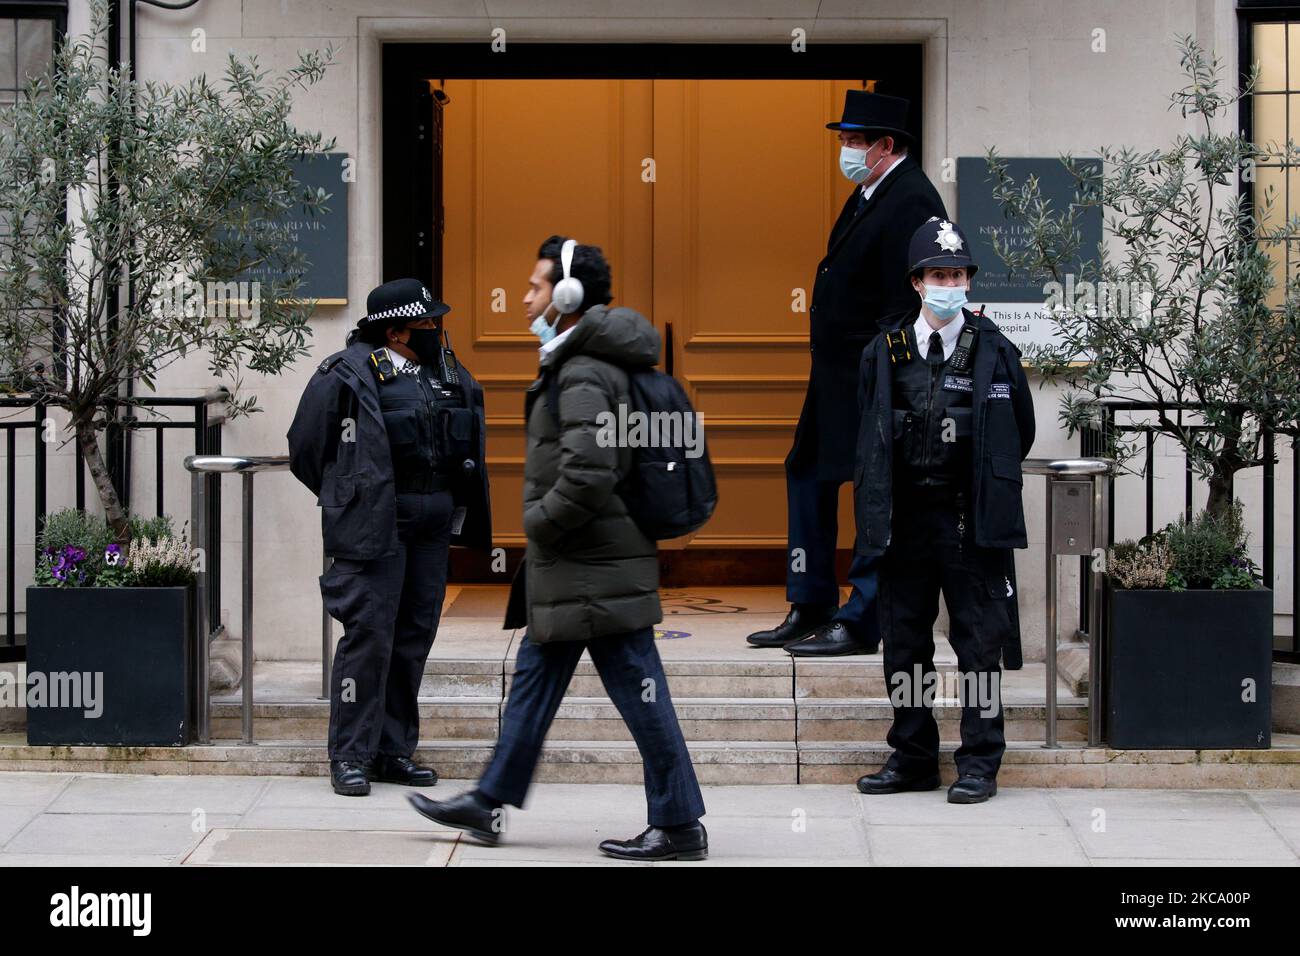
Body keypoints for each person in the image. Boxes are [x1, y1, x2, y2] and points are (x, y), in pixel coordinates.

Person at [407, 236, 707, 860]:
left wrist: (540, 524)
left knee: (640, 692)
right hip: (581, 564)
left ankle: (678, 824)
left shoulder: (583, 371)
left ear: (566, 296)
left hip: (594, 565)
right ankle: (488, 801)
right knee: (535, 684)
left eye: (536, 285)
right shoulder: (579, 360)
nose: (524, 296)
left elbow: (590, 471)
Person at [747, 90, 948, 657]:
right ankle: (809, 601)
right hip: (835, 375)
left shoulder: (911, 198)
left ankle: (862, 618)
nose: (845, 149)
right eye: (843, 140)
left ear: (886, 146)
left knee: (873, 491)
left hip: (874, 377)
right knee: (807, 472)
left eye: (855, 141)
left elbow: (910, 298)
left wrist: (882, 368)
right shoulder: (870, 191)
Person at [852, 218, 1035, 803]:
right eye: (938, 274)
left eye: (957, 274)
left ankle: (980, 762)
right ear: (917, 282)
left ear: (967, 281)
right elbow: (870, 432)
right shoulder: (885, 353)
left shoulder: (994, 351)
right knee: (905, 645)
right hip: (904, 523)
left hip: (968, 522)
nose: (948, 283)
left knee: (980, 645)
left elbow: (1020, 432)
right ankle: (912, 757)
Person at [287, 278, 491, 796]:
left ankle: (393, 751)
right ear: (395, 331)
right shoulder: (346, 374)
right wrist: (350, 493)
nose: (435, 331)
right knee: (369, 637)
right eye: (425, 324)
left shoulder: (445, 370)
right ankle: (351, 756)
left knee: (413, 635)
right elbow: (306, 448)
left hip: (432, 525)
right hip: (376, 523)